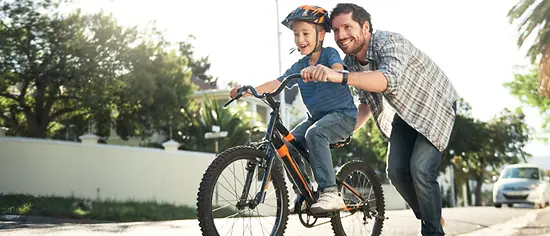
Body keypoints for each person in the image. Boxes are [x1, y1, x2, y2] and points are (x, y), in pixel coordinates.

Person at [301, 3, 458, 235]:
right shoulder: (352, 61)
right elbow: (365, 103)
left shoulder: (390, 42)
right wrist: (347, 130)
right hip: (405, 114)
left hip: (434, 107)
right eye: (336, 30)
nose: (341, 35)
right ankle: (430, 217)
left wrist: (339, 76)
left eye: (347, 27)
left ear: (365, 27)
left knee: (421, 169)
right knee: (395, 171)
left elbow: (387, 80)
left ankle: (432, 231)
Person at [229, 5, 357, 213]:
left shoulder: (329, 54)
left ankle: (330, 192)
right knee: (287, 145)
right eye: (296, 34)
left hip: (343, 116)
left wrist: (324, 71)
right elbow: (278, 82)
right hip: (316, 118)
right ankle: (304, 192)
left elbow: (338, 70)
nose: (299, 39)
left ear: (321, 34)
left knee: (314, 134)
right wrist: (248, 91)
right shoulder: (299, 66)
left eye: (305, 33)